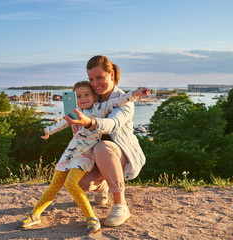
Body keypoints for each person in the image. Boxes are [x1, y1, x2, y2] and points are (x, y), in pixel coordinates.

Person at [17, 80, 149, 233]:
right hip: (70, 153)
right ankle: (35, 214)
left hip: (86, 155)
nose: (83, 98)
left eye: (87, 94)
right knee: (54, 184)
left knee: (72, 184)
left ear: (94, 96)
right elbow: (62, 123)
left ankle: (91, 218)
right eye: (79, 96)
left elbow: (118, 101)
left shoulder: (100, 108)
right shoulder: (75, 112)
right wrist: (48, 131)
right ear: (75, 99)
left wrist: (135, 94)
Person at [64, 55, 147, 227]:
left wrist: (89, 123)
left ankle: (120, 204)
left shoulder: (124, 100)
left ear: (111, 74)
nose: (95, 83)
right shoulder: (92, 97)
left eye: (99, 77)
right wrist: (76, 122)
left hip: (119, 153)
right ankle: (103, 187)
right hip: (94, 154)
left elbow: (112, 124)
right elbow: (81, 116)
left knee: (103, 147)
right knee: (79, 180)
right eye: (91, 79)